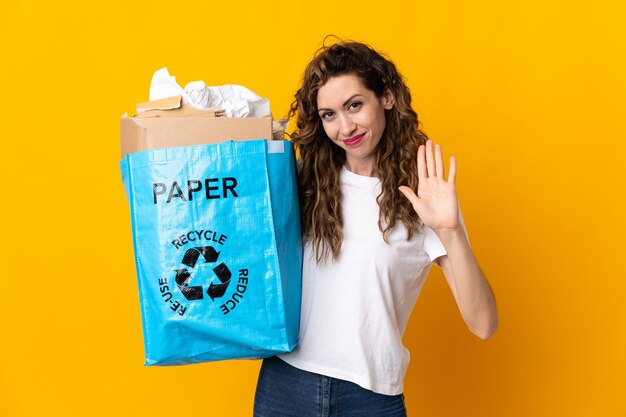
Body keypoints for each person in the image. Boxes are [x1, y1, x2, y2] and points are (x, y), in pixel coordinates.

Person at [253, 38, 498, 417]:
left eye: (354, 105)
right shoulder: (304, 181)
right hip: (285, 387)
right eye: (329, 114)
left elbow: (483, 323)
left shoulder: (425, 195)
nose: (344, 127)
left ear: (385, 97)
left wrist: (449, 230)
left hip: (369, 399)